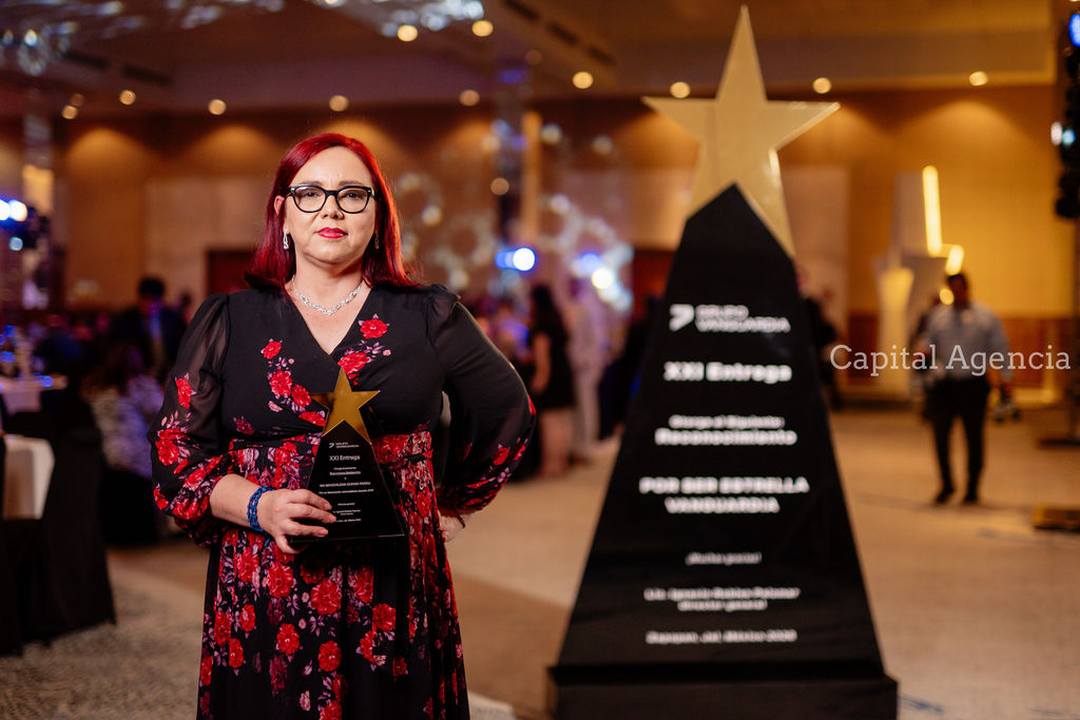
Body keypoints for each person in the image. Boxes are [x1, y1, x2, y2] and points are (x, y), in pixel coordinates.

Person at [147, 133, 534, 720]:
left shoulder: (428, 314)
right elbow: (177, 457)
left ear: (378, 217)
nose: (331, 209)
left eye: (353, 195)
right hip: (265, 584)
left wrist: (453, 503)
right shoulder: (229, 320)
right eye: (311, 193)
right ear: (282, 212)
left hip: (392, 585)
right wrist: (258, 506)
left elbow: (508, 409)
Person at [919, 272, 1010, 505]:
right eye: (953, 288)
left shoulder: (985, 316)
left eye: (960, 288)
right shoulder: (938, 317)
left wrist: (1005, 378)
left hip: (973, 383)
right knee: (940, 436)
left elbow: (1000, 347)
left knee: (974, 437)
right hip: (945, 384)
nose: (957, 293)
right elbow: (928, 341)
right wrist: (922, 353)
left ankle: (972, 487)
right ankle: (946, 484)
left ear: (967, 288)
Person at [527, 285, 575, 476]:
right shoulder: (557, 320)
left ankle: (551, 465)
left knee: (550, 423)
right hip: (564, 372)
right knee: (563, 420)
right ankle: (562, 462)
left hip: (552, 377)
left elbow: (543, 359)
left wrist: (539, 382)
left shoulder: (541, 325)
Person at [110, 275, 187, 384]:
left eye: (154, 300)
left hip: (170, 375)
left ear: (161, 301)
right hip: (138, 378)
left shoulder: (173, 318)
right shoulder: (126, 319)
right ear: (139, 299)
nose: (149, 305)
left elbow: (183, 347)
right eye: (145, 300)